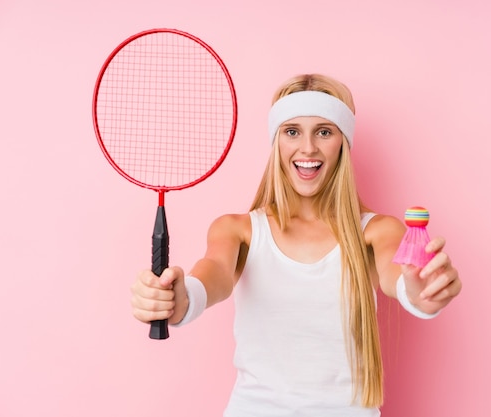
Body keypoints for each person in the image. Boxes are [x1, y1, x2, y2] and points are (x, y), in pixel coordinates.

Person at [130, 73, 462, 416]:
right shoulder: (238, 229)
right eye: (292, 132)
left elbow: (402, 277)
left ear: (343, 143)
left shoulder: (376, 231)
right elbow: (211, 274)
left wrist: (421, 292)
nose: (307, 148)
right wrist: (179, 298)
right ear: (277, 142)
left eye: (324, 131)